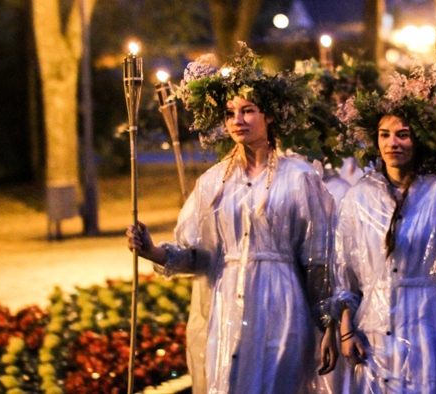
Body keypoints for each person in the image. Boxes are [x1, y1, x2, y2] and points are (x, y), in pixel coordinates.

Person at [127, 45, 339, 393]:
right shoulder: (212, 183)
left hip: (281, 303)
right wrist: (152, 251)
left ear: (270, 116)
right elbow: (197, 255)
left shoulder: (299, 177)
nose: (237, 120)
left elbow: (319, 258)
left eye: (248, 111)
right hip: (226, 305)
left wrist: (329, 322)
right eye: (230, 113)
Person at [332, 65, 436, 393]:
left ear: (418, 140)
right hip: (375, 327)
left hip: (427, 323)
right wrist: (346, 328)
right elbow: (345, 270)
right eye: (384, 135)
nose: (392, 143)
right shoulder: (358, 198)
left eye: (402, 134)